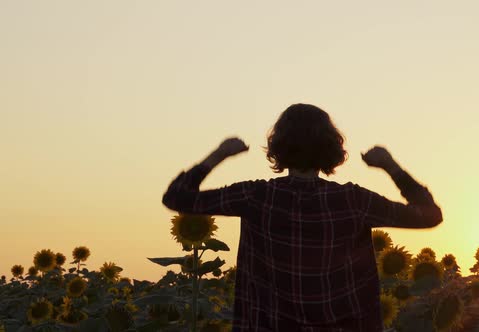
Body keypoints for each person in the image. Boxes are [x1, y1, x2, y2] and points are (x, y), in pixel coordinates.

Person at [162, 103, 443, 331]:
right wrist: (390, 166)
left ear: (278, 147)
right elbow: (429, 215)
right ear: (333, 148)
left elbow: (176, 197)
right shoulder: (354, 201)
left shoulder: (256, 197)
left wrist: (219, 154)